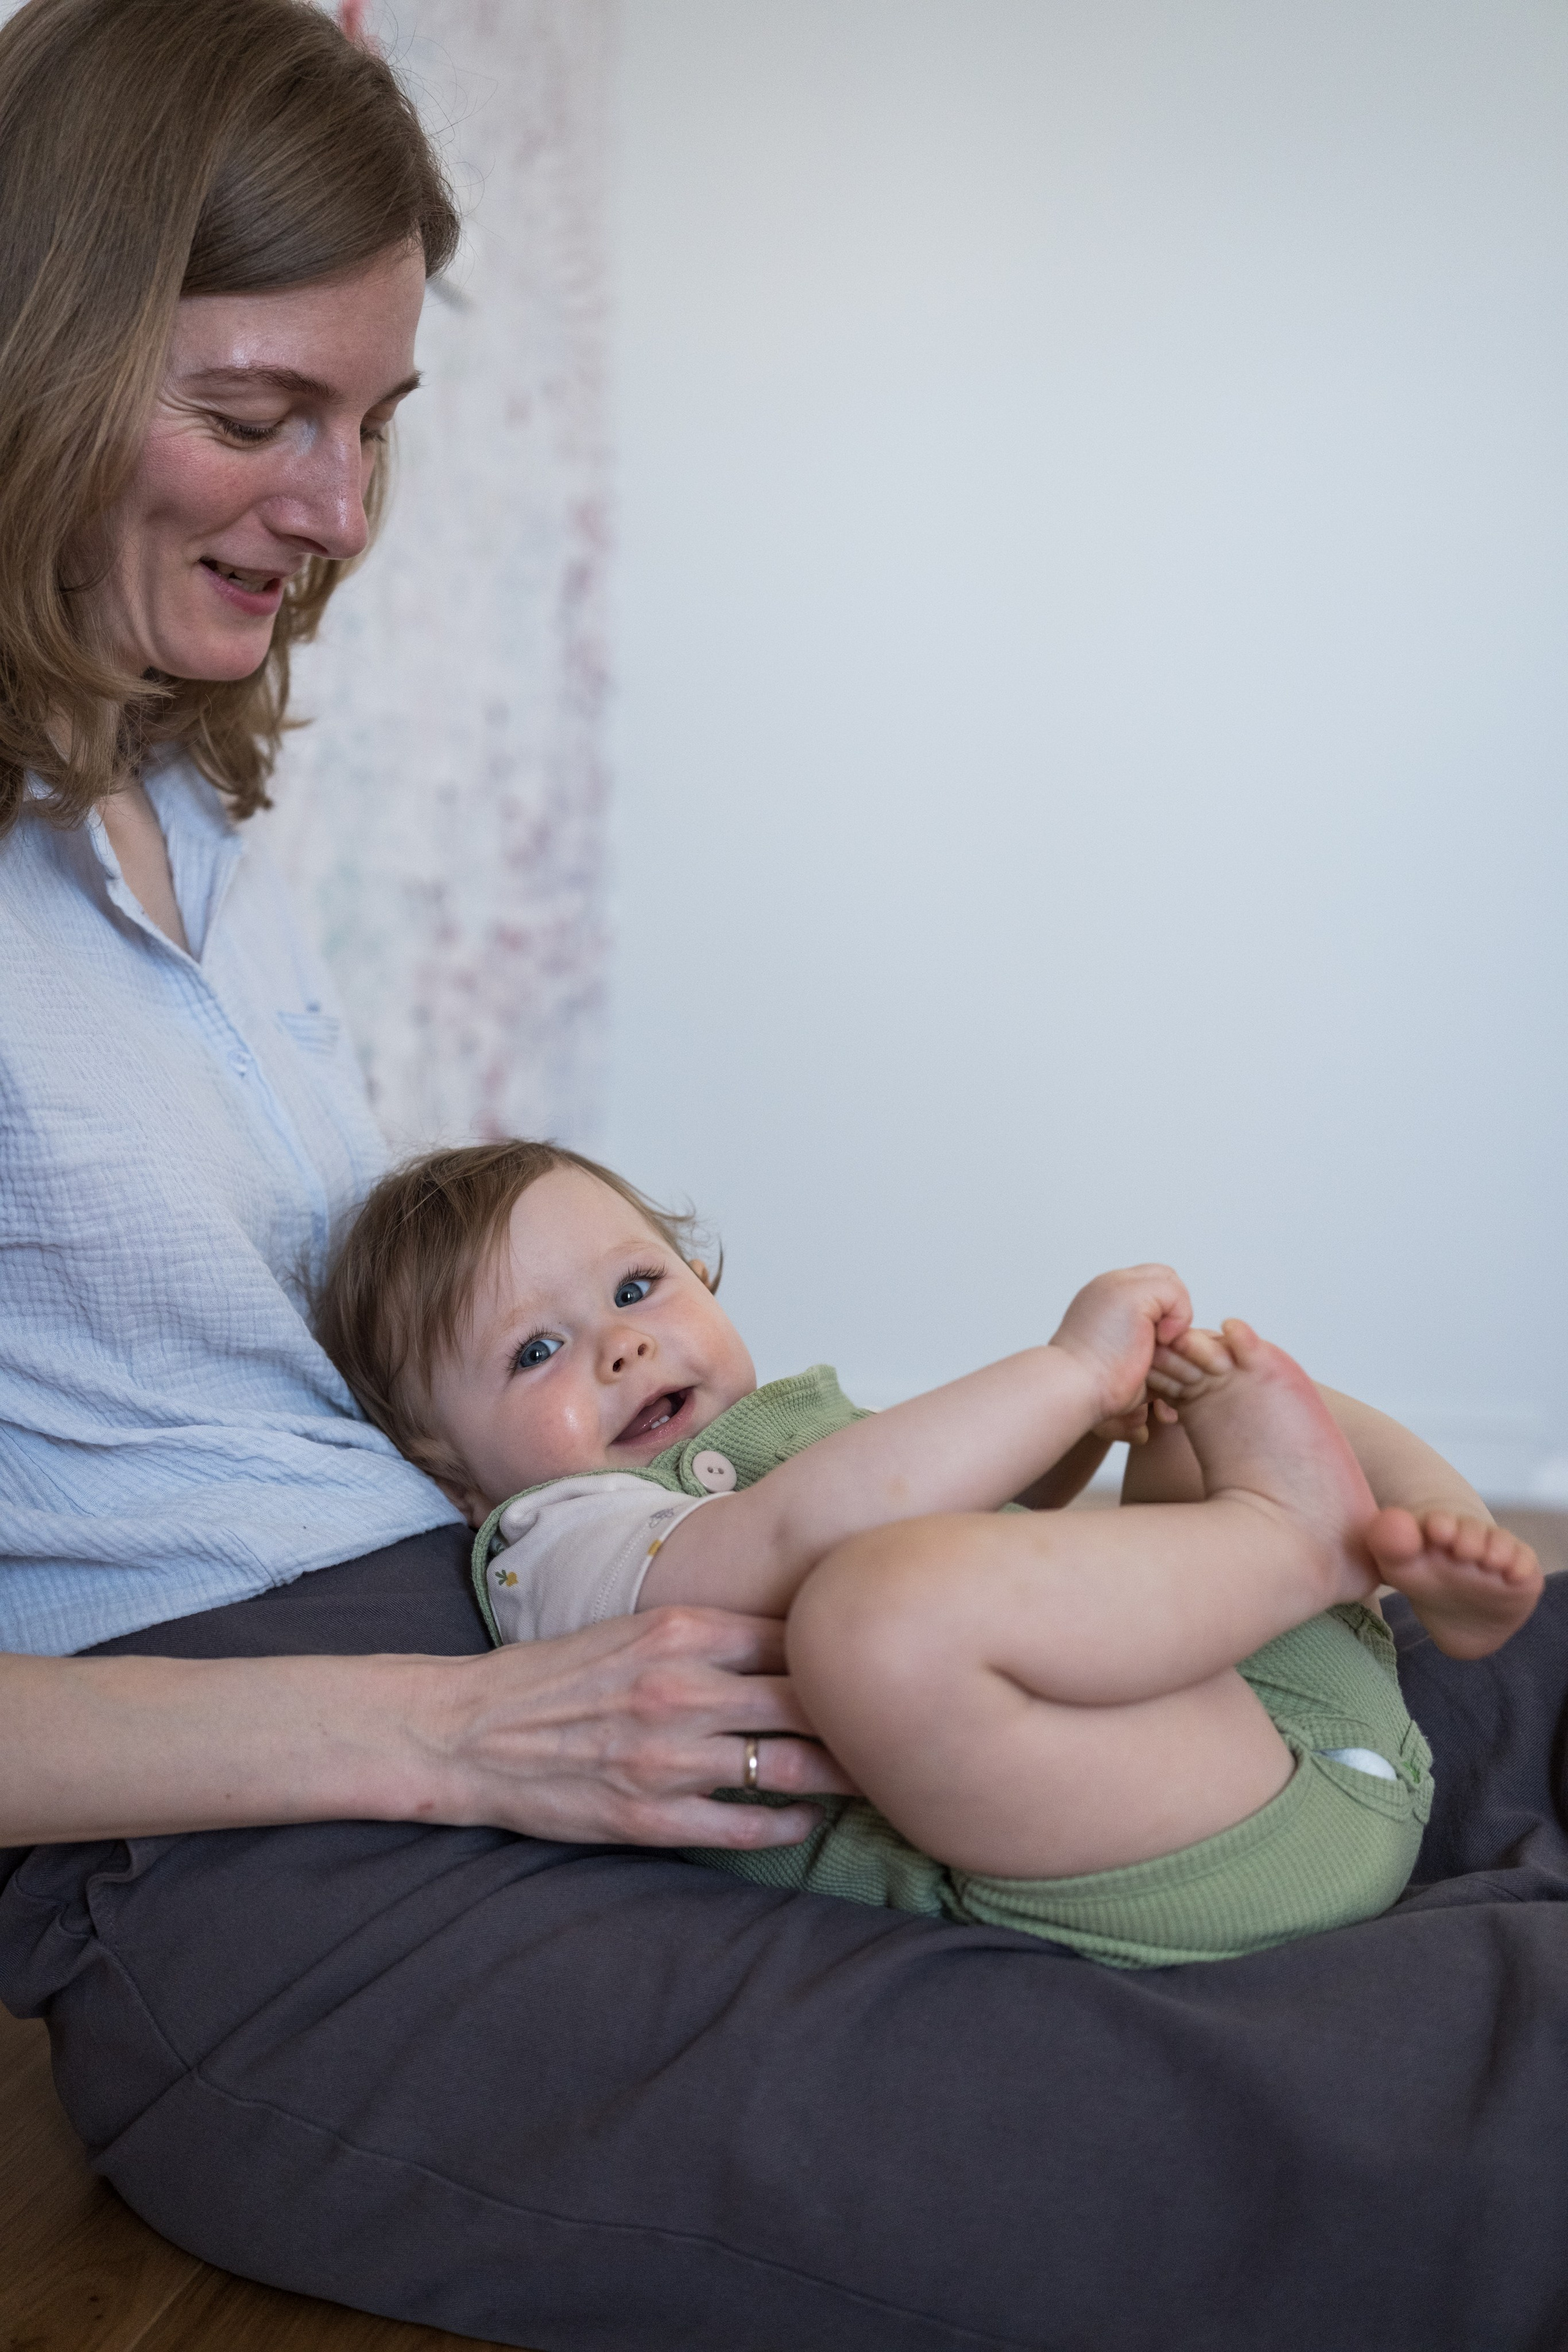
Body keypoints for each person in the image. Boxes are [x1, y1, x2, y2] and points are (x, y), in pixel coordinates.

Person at [6, 4, 1568, 2346]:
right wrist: (451, 1732)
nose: (338, 515)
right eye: (254, 420)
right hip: (262, 1838)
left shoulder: (182, 810)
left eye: (374, 423)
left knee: (1476, 1682)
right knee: (1374, 2114)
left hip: (543, 1649)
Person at [315, 1138, 1541, 1967]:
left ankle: (1435, 1548)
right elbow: (781, 1542)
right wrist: (1063, 1374)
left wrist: (1092, 1420)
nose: (619, 1346)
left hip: (1279, 1702)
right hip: (1169, 1837)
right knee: (877, 1615)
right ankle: (1292, 1541)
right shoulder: (553, 1542)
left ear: (703, 1276)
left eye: (637, 1288)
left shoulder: (789, 1427)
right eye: (534, 1352)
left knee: (1197, 1388)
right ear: (450, 1473)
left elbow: (996, 1510)